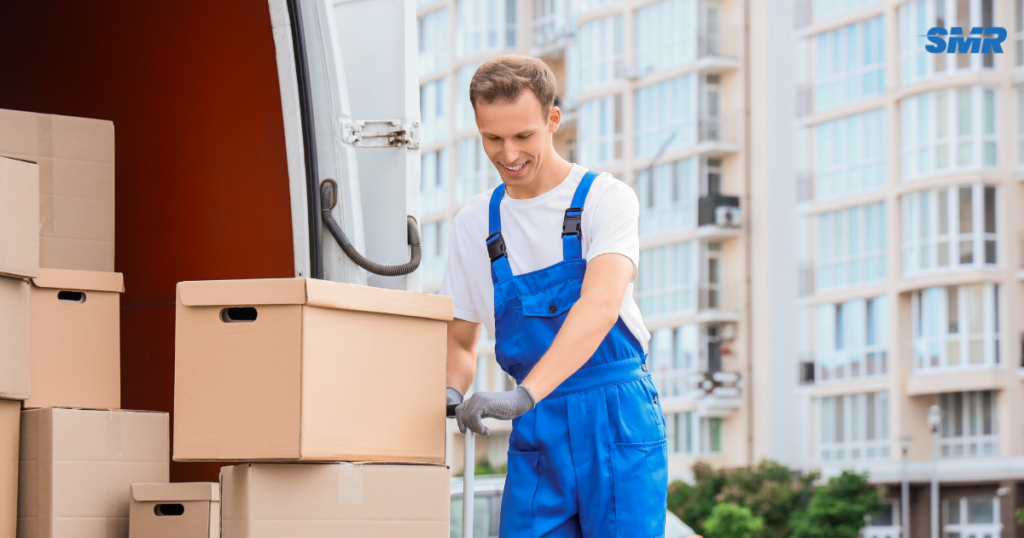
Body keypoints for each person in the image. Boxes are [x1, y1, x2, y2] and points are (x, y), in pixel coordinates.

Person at [441, 55, 668, 538]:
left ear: (553, 120)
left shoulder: (606, 199)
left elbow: (600, 305)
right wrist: (449, 393)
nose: (508, 154)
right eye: (492, 139)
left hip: (616, 417)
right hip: (536, 428)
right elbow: (459, 342)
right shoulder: (474, 223)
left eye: (523, 136)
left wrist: (523, 395)